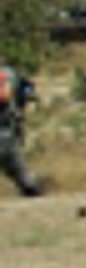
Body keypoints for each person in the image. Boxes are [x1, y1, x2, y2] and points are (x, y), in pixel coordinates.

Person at [0, 52, 40, 198]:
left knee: (11, 161)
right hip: (9, 124)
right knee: (12, 163)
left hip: (6, 123)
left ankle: (30, 188)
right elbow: (29, 92)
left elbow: (4, 97)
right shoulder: (11, 73)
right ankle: (30, 188)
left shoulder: (5, 74)